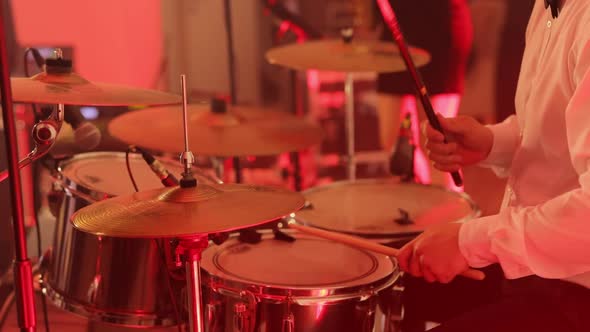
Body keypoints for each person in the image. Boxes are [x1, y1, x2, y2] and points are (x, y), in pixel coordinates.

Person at [399, 0, 590, 330]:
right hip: (534, 264)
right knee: (395, 284)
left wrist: (469, 242)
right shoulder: (548, 7)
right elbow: (555, 129)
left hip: (576, 289)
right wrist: (490, 142)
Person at [374, 0, 472, 189]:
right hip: (395, 26)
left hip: (439, 24)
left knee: (437, 146)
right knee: (393, 144)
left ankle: (446, 216)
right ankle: (419, 208)